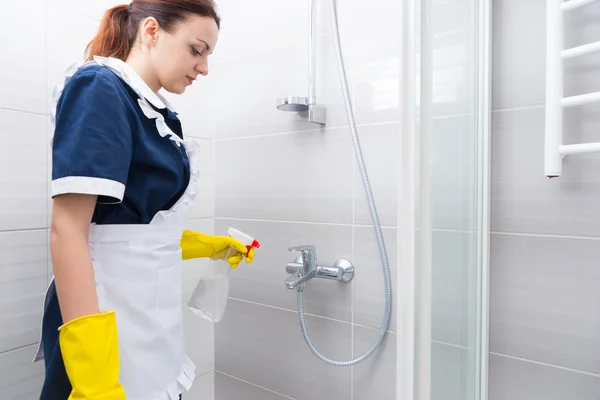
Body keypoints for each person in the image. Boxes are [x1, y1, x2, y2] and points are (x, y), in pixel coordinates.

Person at [32, 1, 254, 399]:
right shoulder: (99, 87)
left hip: (147, 317)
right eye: (196, 49)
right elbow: (68, 229)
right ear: (151, 31)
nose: (203, 67)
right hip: (103, 313)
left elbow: (134, 228)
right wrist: (94, 378)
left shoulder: (158, 113)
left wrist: (208, 245)